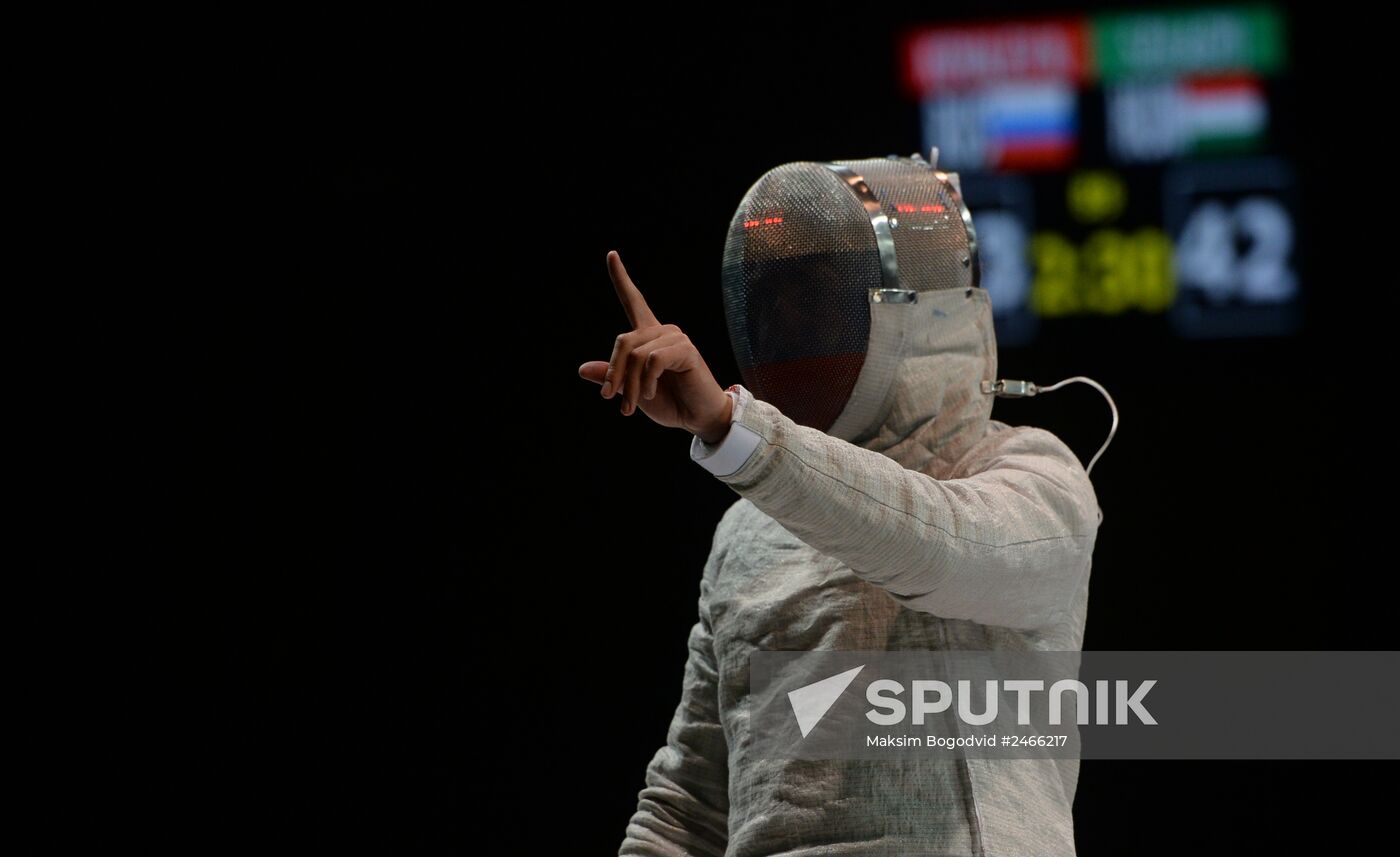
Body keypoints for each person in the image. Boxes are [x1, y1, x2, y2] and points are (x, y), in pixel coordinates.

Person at [580, 154, 1101, 857]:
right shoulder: (747, 533)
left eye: (817, 298)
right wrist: (750, 445)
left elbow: (935, 543)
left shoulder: (1031, 476)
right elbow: (688, 812)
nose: (789, 324)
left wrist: (737, 431)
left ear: (918, 312)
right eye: (774, 301)